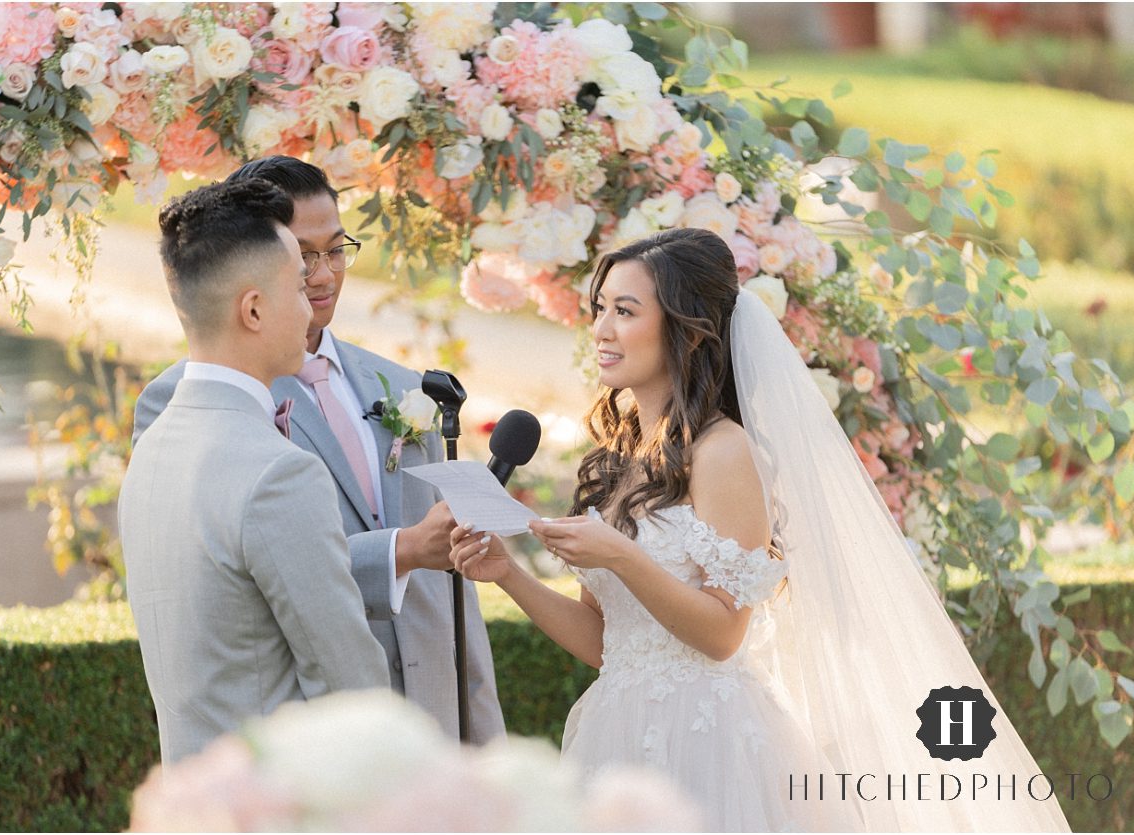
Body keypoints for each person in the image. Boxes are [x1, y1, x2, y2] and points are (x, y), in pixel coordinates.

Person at [451, 228, 1072, 831]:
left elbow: (723, 634)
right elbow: (602, 640)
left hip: (706, 744)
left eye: (624, 310)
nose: (602, 329)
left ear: (684, 328)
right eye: (600, 308)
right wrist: (507, 574)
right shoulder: (623, 455)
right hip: (617, 734)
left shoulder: (723, 453)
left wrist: (620, 556)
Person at [132, 157, 504, 744]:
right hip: (317, 764)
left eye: (336, 250)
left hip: (424, 732)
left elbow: (449, 604)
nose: (321, 282)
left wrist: (479, 744)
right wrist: (401, 551)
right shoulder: (191, 417)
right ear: (253, 299)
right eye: (300, 263)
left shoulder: (408, 387)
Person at [120, 179, 389, 764]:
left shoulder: (154, 449)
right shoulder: (277, 473)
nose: (313, 299)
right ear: (254, 309)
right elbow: (353, 692)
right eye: (298, 284)